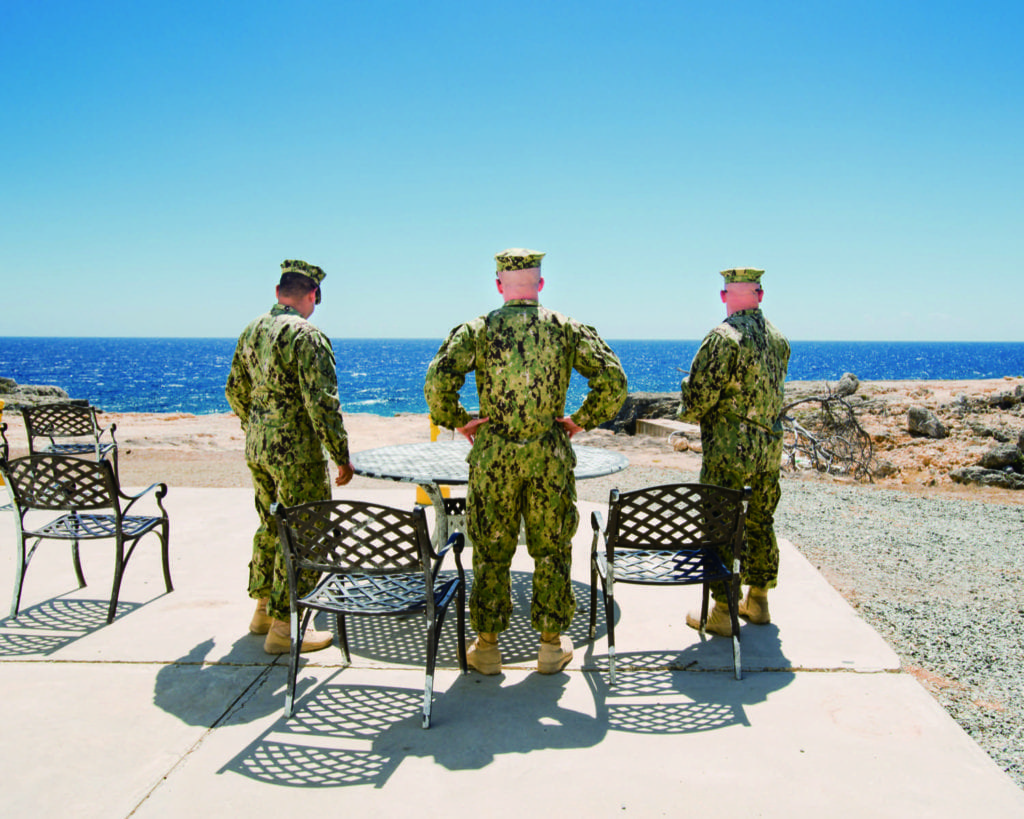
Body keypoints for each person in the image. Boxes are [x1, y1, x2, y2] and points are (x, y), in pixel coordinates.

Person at [425, 248, 627, 675]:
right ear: (540, 284)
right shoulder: (566, 329)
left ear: (499, 285)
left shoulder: (476, 330)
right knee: (551, 550)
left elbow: (437, 384)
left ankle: (488, 647)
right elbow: (613, 381)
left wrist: (461, 421)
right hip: (549, 458)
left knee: (491, 551)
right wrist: (578, 421)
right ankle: (550, 648)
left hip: (494, 456)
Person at [225, 259, 354, 654]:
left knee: (269, 525)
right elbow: (322, 405)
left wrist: (258, 426)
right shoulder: (307, 336)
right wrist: (341, 456)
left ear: (279, 292)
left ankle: (263, 609)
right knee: (305, 534)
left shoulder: (252, 330)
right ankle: (285, 628)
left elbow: (234, 390)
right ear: (313, 294)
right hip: (296, 453)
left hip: (258, 448)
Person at [678, 267, 790, 636]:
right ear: (760, 294)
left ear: (724, 296)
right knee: (760, 522)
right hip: (768, 452)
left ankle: (723, 611)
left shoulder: (722, 339)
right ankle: (758, 601)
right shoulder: (778, 340)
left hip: (729, 453)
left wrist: (686, 389)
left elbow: (697, 401)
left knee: (720, 525)